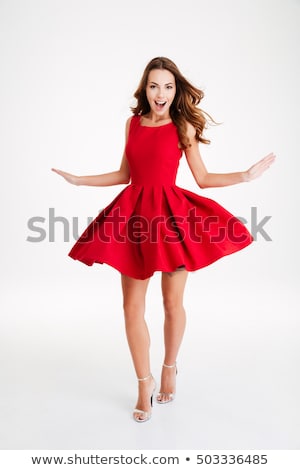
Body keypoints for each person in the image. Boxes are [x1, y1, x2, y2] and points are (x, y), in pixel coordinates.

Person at [52, 57, 275, 423]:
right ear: (146, 89)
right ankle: (144, 383)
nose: (161, 93)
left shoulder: (183, 126)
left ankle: (170, 366)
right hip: (136, 218)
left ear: (175, 91)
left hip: (172, 220)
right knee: (131, 309)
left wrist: (246, 176)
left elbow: (202, 179)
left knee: (172, 303)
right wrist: (79, 180)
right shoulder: (132, 124)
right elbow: (125, 174)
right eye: (155, 86)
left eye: (168, 87)